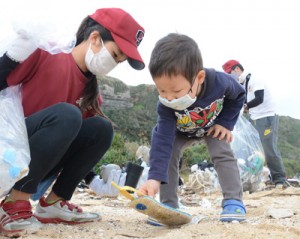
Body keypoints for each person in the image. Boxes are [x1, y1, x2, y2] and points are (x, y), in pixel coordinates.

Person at [0, 7, 145, 237]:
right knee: (68, 114)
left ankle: (53, 204)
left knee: (101, 127)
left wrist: (94, 180)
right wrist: (11, 57)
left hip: (32, 168)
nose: (115, 63)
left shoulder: (91, 93)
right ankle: (14, 203)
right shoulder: (46, 53)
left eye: (120, 61)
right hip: (7, 152)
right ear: (95, 38)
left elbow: (75, 143)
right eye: (116, 55)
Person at [139, 33, 247, 224]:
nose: (169, 98)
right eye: (162, 90)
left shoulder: (219, 82)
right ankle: (169, 205)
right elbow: (162, 141)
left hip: (213, 125)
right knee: (170, 151)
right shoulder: (166, 105)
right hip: (181, 131)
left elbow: (239, 95)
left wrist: (225, 123)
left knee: (222, 151)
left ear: (199, 77)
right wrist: (154, 177)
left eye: (176, 91)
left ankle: (233, 201)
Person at [222, 60, 288, 188]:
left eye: (230, 73)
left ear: (237, 69)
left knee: (268, 147)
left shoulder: (254, 79)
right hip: (254, 118)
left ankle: (279, 179)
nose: (230, 77)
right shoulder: (242, 84)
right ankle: (251, 178)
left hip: (267, 116)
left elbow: (259, 98)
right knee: (250, 147)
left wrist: (245, 106)